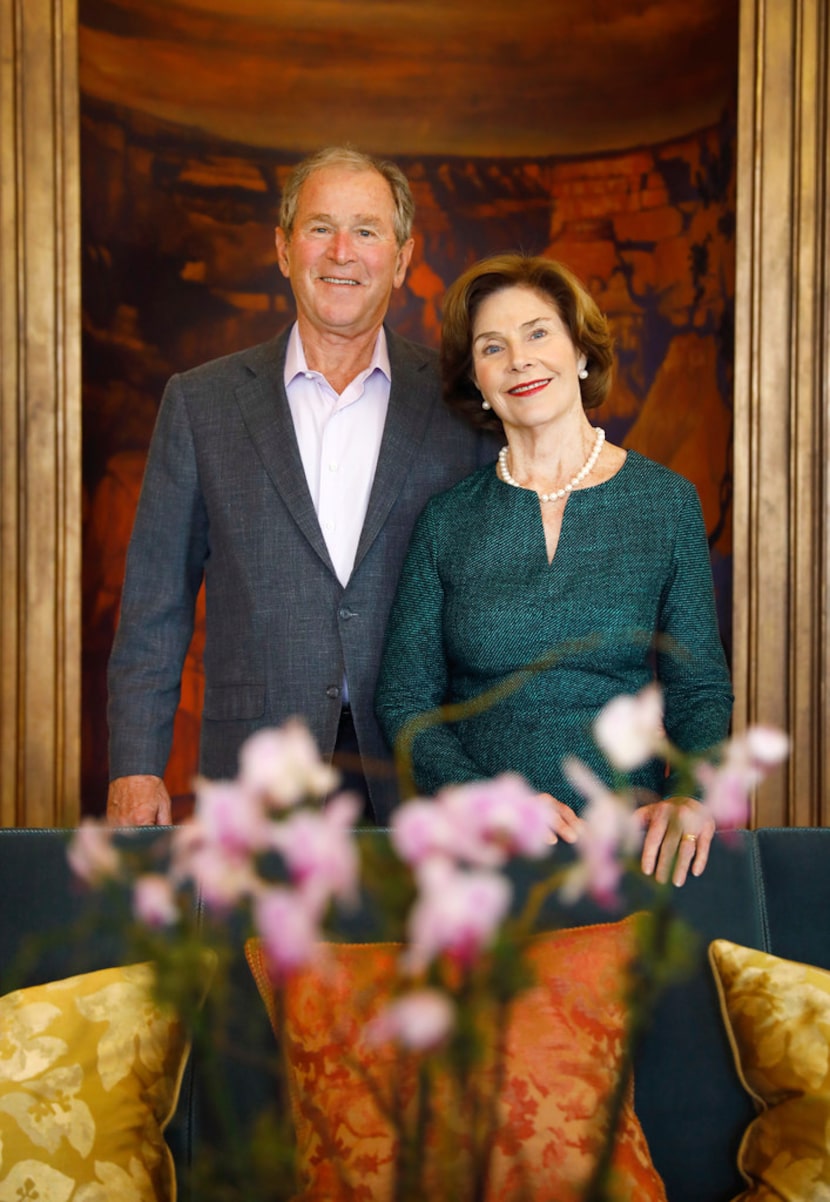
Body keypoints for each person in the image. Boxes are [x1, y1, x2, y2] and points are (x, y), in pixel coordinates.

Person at [106, 146, 495, 828]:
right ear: (284, 249)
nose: (342, 251)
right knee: (250, 944)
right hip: (255, 773)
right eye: (320, 228)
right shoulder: (202, 403)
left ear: (402, 259)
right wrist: (136, 768)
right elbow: (154, 604)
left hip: (421, 781)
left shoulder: (461, 407)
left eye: (367, 231)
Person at [375, 253, 734, 886]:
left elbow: (699, 688)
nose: (519, 359)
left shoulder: (667, 502)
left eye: (539, 332)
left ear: (581, 351)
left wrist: (692, 794)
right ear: (478, 383)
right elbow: (406, 703)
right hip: (482, 864)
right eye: (493, 347)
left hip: (627, 852)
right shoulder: (446, 521)